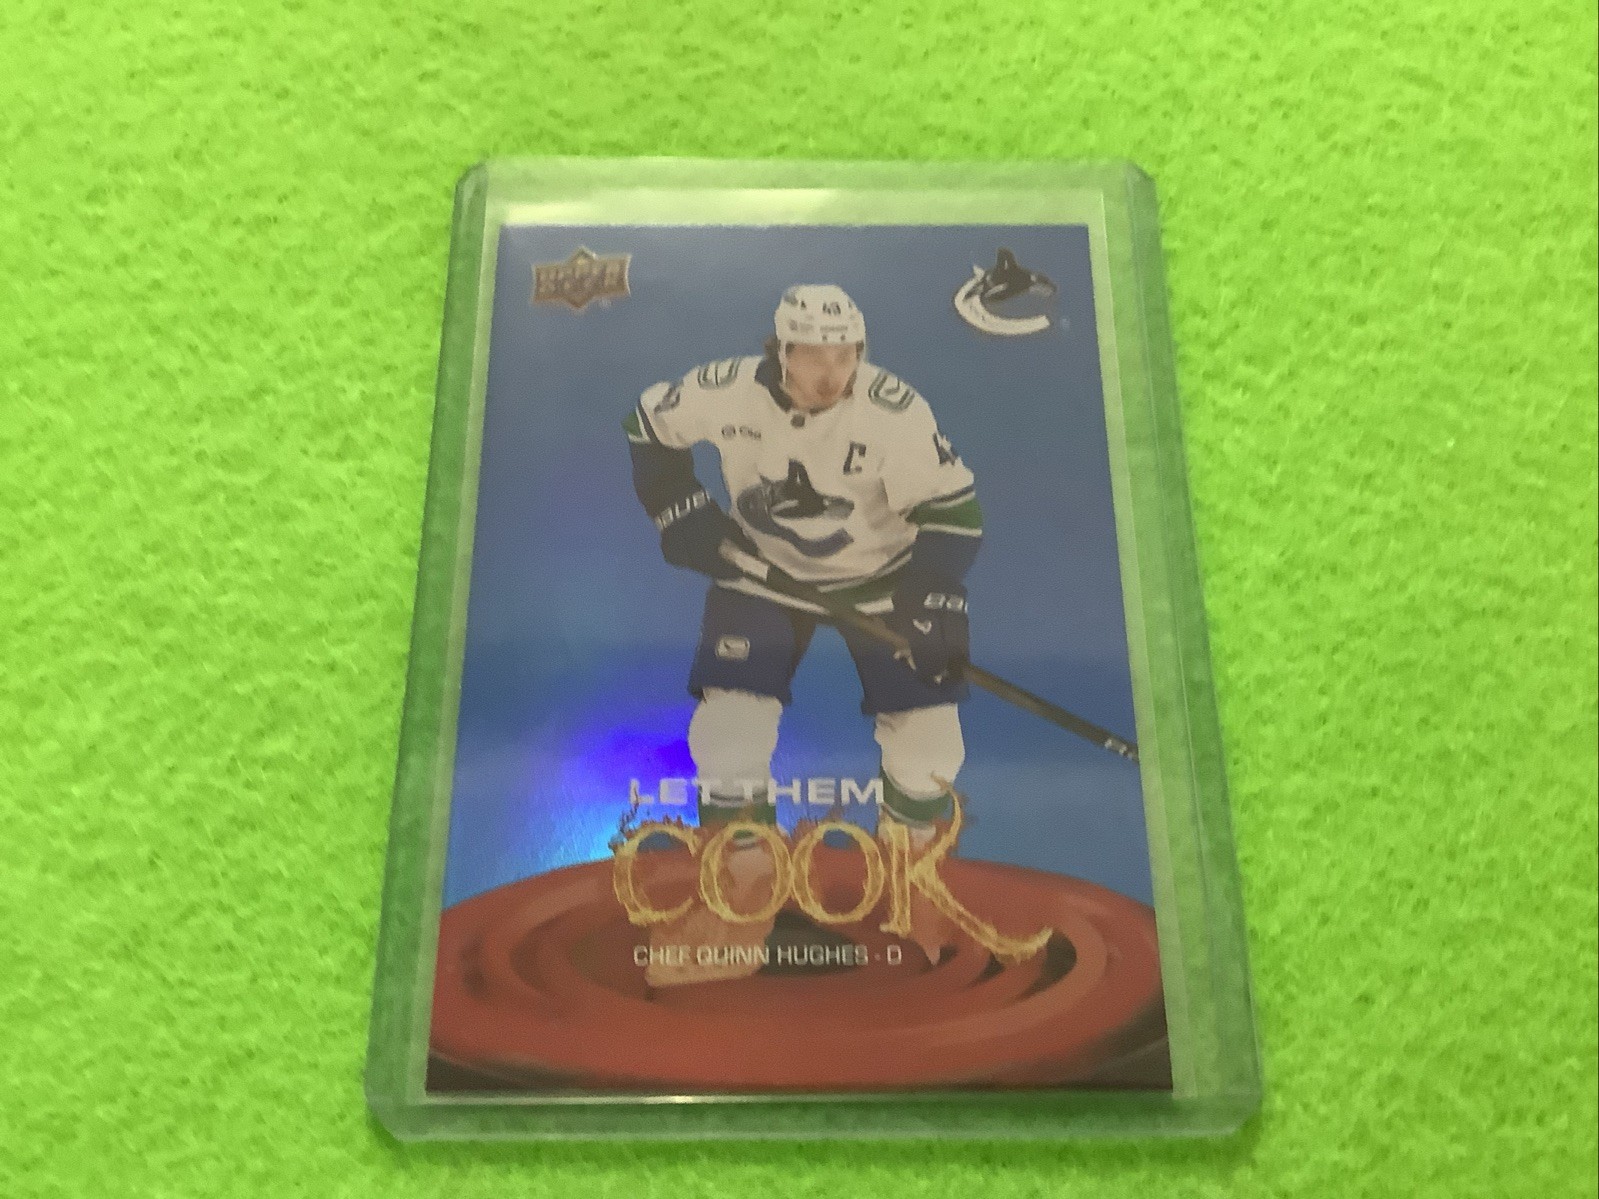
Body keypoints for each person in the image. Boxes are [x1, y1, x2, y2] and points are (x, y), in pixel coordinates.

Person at [623, 284, 983, 985]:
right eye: (813, 355)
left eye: (846, 354)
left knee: (929, 740)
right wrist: (679, 509)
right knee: (728, 731)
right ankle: (742, 891)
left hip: (883, 576)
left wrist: (932, 590)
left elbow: (955, 513)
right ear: (780, 350)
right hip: (761, 571)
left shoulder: (894, 412)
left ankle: (914, 879)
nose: (830, 373)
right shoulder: (725, 390)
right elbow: (646, 423)